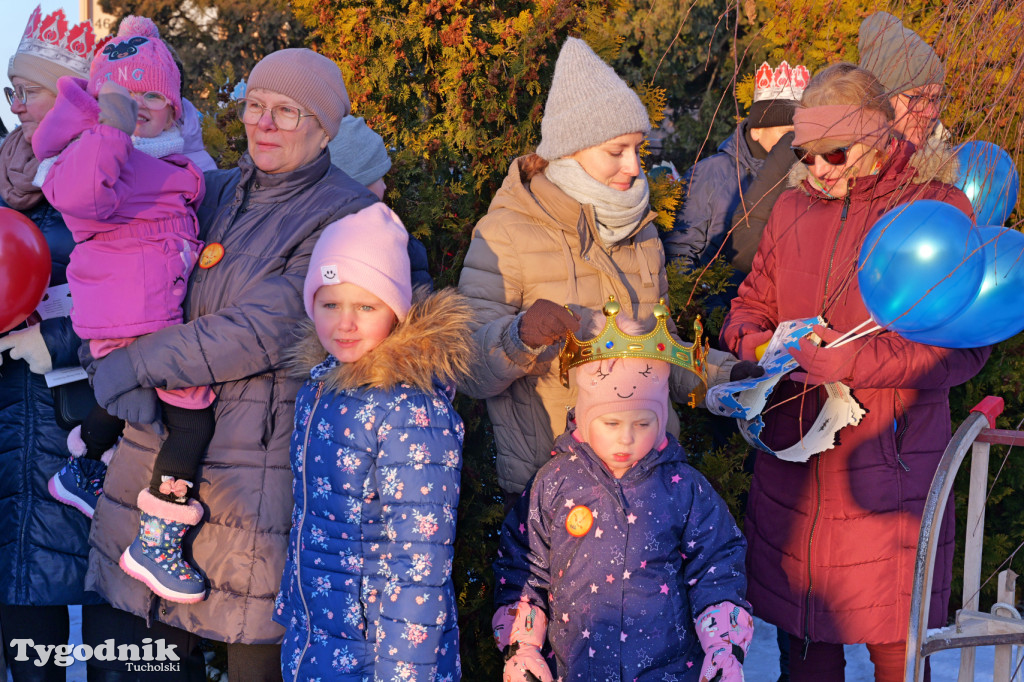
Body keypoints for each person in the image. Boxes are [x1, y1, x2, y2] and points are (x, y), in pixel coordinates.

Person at [82, 47, 379, 680]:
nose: (263, 123)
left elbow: (263, 328)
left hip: (255, 483)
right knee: (143, 661)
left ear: (325, 127)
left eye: (286, 112)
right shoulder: (209, 187)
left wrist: (133, 362)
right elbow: (122, 268)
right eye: (255, 107)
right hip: (157, 460)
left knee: (250, 652)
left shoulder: (345, 215)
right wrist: (99, 346)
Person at [719, 62, 991, 681]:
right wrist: (761, 346)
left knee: (896, 649)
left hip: (889, 474)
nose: (817, 169)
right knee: (804, 649)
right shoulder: (790, 209)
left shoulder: (935, 209)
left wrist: (855, 361)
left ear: (878, 138)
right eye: (806, 154)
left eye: (834, 153)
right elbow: (747, 307)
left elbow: (966, 349)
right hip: (795, 470)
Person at [458, 37, 759, 502]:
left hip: (650, 485)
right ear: (571, 150)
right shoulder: (505, 233)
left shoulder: (641, 232)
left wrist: (728, 376)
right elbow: (469, 368)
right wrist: (520, 336)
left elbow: (658, 353)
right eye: (617, 150)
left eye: (639, 149)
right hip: (553, 495)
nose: (634, 167)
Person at [31, 15, 213, 605]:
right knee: (190, 420)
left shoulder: (167, 161)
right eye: (122, 97)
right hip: (129, 319)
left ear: (175, 108)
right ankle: (156, 540)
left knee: (129, 405)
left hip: (149, 317)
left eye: (153, 97)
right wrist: (108, 126)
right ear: (101, 105)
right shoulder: (96, 156)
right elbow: (82, 195)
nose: (138, 108)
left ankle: (81, 467)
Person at [492, 309, 751, 682]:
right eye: (611, 423)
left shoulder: (683, 487)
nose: (626, 438)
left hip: (669, 670)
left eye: (642, 424)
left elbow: (717, 563)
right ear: (583, 416)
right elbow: (525, 565)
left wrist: (722, 645)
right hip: (579, 669)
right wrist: (524, 646)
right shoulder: (555, 483)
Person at [275, 204, 469, 680]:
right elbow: (309, 520)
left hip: (383, 652)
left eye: (365, 306)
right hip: (319, 635)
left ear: (396, 312)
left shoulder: (409, 409)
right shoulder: (321, 388)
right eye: (330, 304)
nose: (345, 323)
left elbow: (420, 555)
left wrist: (405, 669)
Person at [0, 7, 109, 681]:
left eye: (27, 90)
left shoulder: (100, 173)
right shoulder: (6, 168)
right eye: (10, 88)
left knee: (62, 598)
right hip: (10, 416)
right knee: (18, 603)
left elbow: (144, 302)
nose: (13, 104)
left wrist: (58, 341)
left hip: (70, 428)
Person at [663, 61, 808, 268]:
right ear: (757, 131)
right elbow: (680, 250)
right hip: (719, 297)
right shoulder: (709, 173)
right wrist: (705, 299)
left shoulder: (807, 174)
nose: (794, 141)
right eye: (787, 133)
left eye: (799, 132)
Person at [328, 114, 432, 289]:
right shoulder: (394, 243)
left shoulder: (313, 238)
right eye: (379, 178)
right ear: (357, 184)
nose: (385, 187)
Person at [859, 11, 946, 149]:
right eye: (917, 98)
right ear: (879, 100)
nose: (931, 113)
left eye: (935, 99)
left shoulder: (960, 166)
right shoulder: (832, 162)